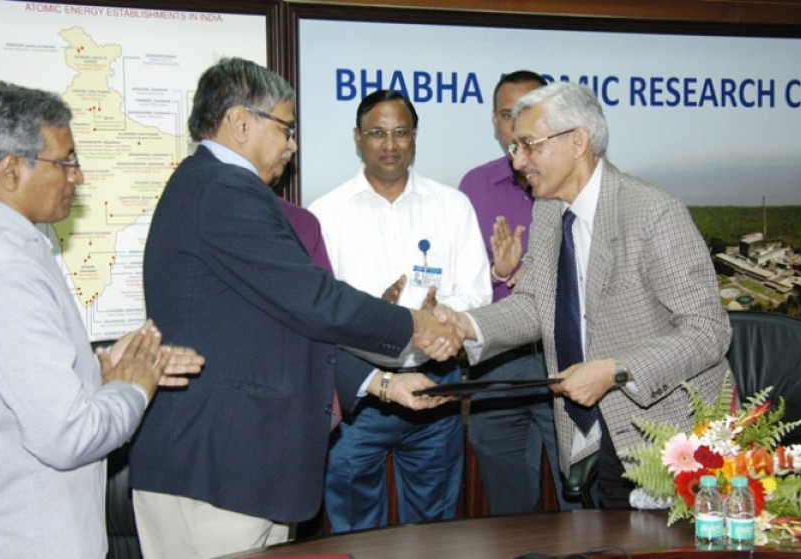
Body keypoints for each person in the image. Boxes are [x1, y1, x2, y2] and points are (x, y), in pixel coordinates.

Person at [130, 59, 458, 559]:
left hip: (242, 467)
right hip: (214, 467)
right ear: (241, 122)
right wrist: (414, 323)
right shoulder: (222, 188)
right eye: (285, 128)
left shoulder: (214, 186)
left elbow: (287, 323)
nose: (292, 145)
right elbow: (314, 299)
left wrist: (385, 384)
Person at [440, 81, 732, 509]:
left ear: (577, 141)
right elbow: (535, 304)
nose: (517, 161)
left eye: (529, 145)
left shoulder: (652, 212)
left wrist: (616, 370)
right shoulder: (548, 210)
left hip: (666, 433)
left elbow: (708, 331)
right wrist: (464, 325)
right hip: (590, 431)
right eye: (515, 147)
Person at [0, 82, 204, 559]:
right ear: (10, 171)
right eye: (65, 161)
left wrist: (97, 371)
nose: (79, 176)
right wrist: (134, 387)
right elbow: (69, 435)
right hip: (24, 541)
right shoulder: (2, 269)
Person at [309, 89, 491, 532]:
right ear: (357, 138)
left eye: (400, 133)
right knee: (355, 529)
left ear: (414, 138)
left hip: (435, 385)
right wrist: (375, 318)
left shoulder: (452, 206)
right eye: (377, 133)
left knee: (434, 528)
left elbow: (477, 294)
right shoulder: (325, 214)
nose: (389, 145)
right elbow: (318, 311)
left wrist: (440, 317)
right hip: (359, 394)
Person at [459, 70, 577, 514]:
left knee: (580, 497)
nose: (518, 124)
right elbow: (463, 284)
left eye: (530, 111)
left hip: (568, 361)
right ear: (496, 122)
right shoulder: (473, 187)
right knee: (507, 509)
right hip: (498, 364)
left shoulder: (575, 184)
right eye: (509, 114)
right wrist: (498, 273)